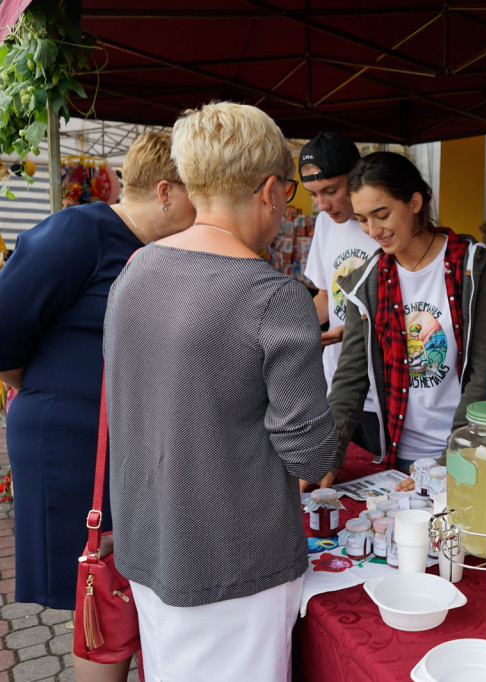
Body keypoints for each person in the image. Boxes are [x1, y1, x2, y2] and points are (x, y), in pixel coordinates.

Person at [102, 102, 336, 681]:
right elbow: (309, 454)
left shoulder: (135, 270)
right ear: (269, 191)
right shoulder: (273, 297)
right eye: (287, 196)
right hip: (235, 559)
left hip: (150, 543)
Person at [0, 131, 195, 680]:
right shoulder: (76, 232)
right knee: (101, 594)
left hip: (131, 439)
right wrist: (46, 387)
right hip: (75, 443)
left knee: (129, 583)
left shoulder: (162, 248)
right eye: (197, 193)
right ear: (165, 191)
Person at [328, 151, 486, 473]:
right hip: (395, 457)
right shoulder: (365, 283)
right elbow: (350, 381)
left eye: (381, 214)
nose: (372, 230)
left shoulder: (473, 268)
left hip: (467, 454)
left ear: (414, 203)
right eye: (362, 219)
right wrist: (325, 458)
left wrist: (450, 462)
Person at [300, 132, 382, 463]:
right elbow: (325, 297)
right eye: (313, 195)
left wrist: (358, 331)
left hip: (380, 393)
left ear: (355, 176)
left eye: (331, 191)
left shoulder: (381, 225)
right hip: (337, 388)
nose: (322, 204)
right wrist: (286, 322)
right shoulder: (324, 223)